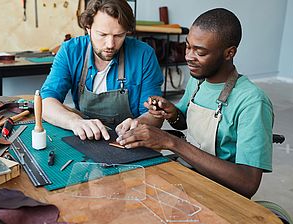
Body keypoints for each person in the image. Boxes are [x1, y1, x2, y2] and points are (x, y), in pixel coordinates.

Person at [116, 8, 273, 199]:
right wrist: (173, 113)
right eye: (188, 47)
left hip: (222, 194)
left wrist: (171, 142)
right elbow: (184, 122)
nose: (189, 56)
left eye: (200, 52)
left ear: (229, 53)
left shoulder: (252, 102)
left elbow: (247, 183)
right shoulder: (198, 81)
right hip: (189, 176)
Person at [40, 0, 164, 141]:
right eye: (102, 35)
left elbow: (154, 116)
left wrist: (140, 122)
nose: (110, 44)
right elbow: (46, 103)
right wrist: (74, 122)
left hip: (129, 140)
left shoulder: (144, 55)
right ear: (88, 28)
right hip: (87, 138)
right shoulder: (71, 51)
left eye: (119, 35)